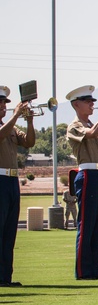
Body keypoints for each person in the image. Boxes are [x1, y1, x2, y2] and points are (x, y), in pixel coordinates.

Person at [65, 85, 98, 280]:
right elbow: (90, 134)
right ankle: (83, 270)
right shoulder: (75, 126)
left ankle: (94, 269)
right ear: (76, 104)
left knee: (97, 224)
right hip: (87, 174)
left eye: (92, 102)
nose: (91, 105)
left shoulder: (92, 125)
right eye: (88, 102)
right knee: (86, 223)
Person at [0, 87, 35, 287]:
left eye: (5, 103)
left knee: (9, 231)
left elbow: (29, 141)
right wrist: (15, 116)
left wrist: (29, 121)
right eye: (0, 103)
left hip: (11, 181)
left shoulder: (10, 127)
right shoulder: (8, 126)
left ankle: (5, 276)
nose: (4, 106)